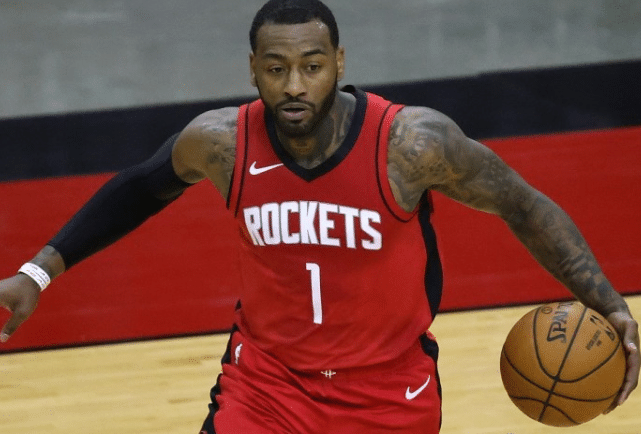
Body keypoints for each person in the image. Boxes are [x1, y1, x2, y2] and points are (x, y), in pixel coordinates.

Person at [1, 0, 638, 432]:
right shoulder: (223, 143)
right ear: (253, 69)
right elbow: (142, 186)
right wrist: (36, 274)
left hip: (389, 395)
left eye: (311, 66)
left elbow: (523, 206)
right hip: (267, 388)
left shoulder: (410, 145)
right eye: (276, 69)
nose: (294, 86)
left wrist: (608, 303)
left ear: (339, 62)